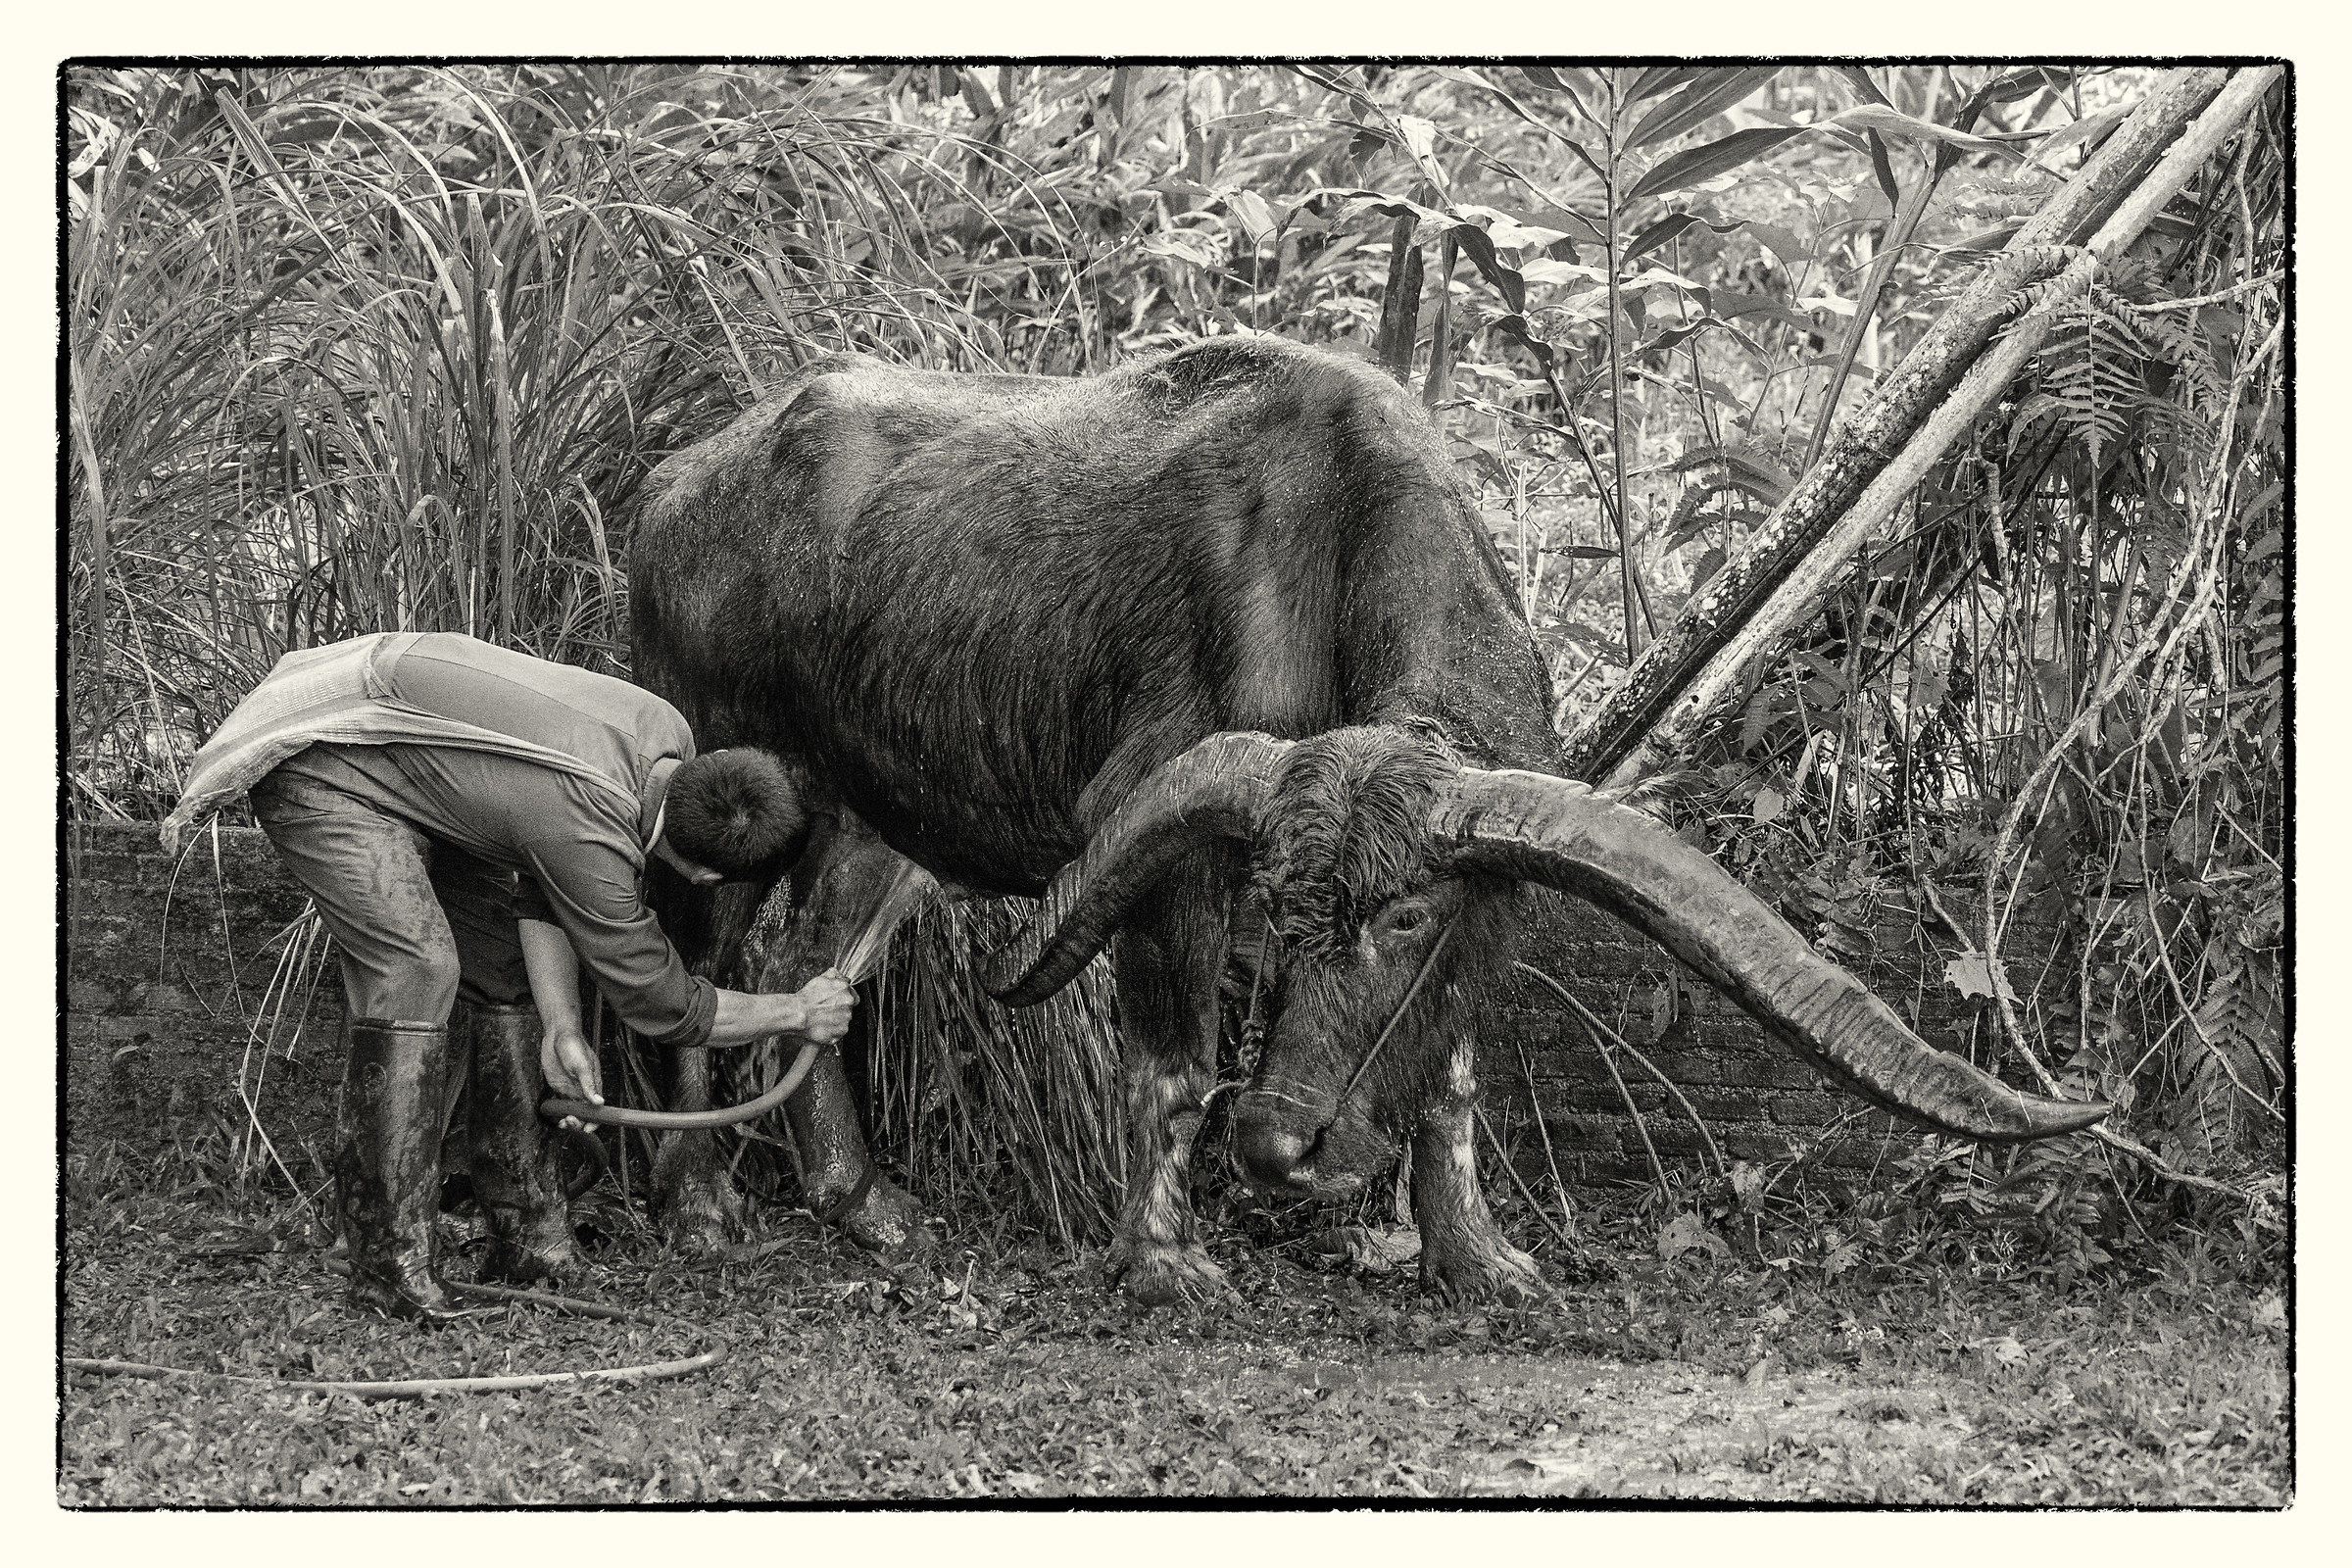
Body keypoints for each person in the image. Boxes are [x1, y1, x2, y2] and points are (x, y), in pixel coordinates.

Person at [163, 630, 855, 1322]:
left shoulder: (664, 733)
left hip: (404, 730)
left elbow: (539, 879)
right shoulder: (590, 832)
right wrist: (798, 1011)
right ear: (707, 874)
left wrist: (560, 1026)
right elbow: (663, 1002)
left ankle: (526, 1235)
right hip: (323, 750)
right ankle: (383, 1265)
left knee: (503, 964)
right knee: (415, 969)